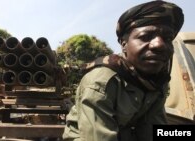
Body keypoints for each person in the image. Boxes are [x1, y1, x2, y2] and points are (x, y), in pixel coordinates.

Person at [62, 1, 184, 141]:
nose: (159, 45)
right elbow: (98, 138)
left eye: (167, 38)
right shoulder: (103, 80)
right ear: (124, 45)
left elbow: (152, 129)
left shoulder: (156, 80)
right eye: (145, 37)